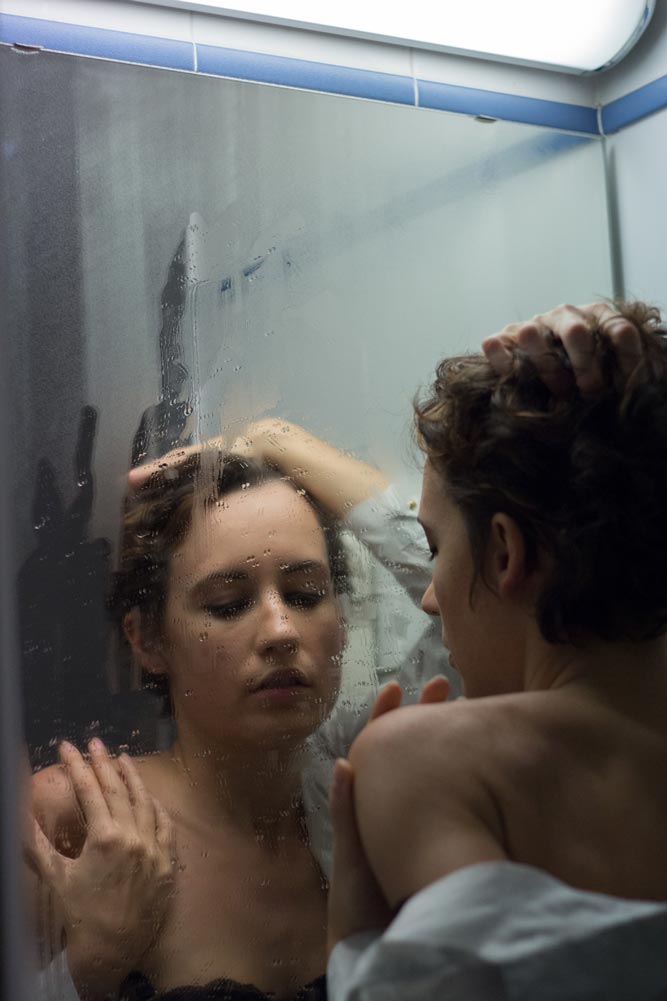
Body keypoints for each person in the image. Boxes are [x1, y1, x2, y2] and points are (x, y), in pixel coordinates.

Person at [327, 301, 667, 999]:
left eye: (434, 547)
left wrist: (354, 938)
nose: (429, 598)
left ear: (505, 551)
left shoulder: (428, 760)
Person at [29, 440, 452, 1001]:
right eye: (228, 604)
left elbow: (469, 603)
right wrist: (89, 965)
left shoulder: (364, 800)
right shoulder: (80, 819)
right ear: (148, 639)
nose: (281, 631)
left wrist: (279, 439)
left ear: (342, 621)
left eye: (306, 595)